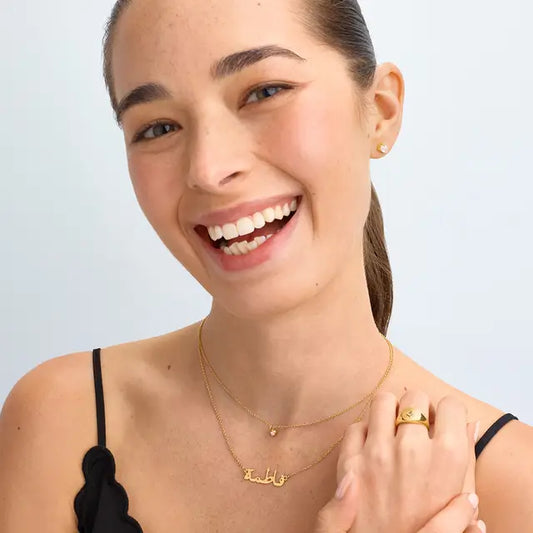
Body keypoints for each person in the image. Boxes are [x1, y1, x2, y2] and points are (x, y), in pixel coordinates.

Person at [0, 0, 531, 531]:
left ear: (380, 110)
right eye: (158, 127)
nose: (209, 169)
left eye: (264, 92)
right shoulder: (58, 420)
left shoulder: (514, 488)